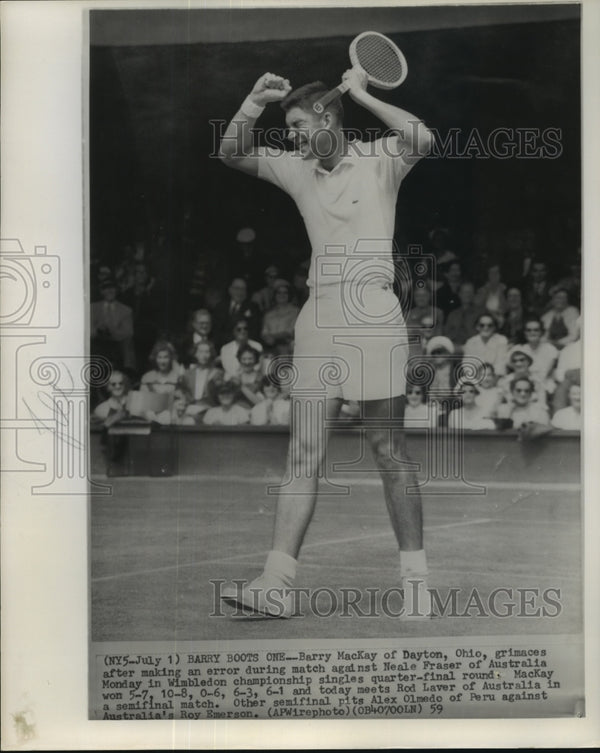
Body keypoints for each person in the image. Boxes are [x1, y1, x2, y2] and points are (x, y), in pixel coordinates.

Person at [218, 68, 434, 618]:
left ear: (328, 116)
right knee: (303, 455)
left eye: (295, 123)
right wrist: (253, 100)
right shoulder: (296, 168)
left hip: (374, 314)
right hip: (319, 320)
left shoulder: (383, 158)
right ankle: (276, 584)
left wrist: (363, 93)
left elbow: (424, 138)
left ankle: (415, 582)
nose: (288, 135)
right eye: (285, 126)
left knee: (389, 453)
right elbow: (230, 155)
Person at [260, 279, 300, 355]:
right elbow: (264, 332)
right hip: (270, 348)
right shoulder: (268, 314)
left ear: (289, 295)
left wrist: (273, 337)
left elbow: (291, 331)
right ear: (275, 295)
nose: (282, 295)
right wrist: (267, 338)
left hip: (288, 348)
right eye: (279, 292)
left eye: (285, 293)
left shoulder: (296, 311)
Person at [442, 281, 482, 349]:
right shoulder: (453, 314)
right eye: (465, 292)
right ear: (459, 294)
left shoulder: (481, 313)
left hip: (474, 348)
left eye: (470, 292)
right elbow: (446, 334)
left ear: (474, 294)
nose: (467, 295)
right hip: (454, 349)